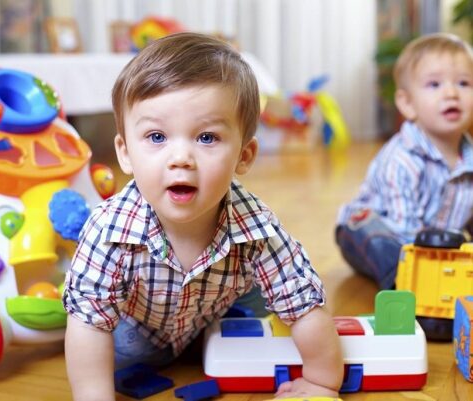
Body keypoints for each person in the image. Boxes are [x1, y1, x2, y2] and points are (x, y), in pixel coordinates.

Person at [63, 32, 343, 400]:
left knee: (264, 314)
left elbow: (305, 305)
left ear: (244, 155)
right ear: (125, 152)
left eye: (207, 138)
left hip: (217, 313)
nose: (180, 158)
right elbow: (89, 323)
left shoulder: (258, 226)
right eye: (157, 137)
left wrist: (322, 381)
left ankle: (220, 336)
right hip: (138, 333)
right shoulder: (109, 228)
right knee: (113, 347)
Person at [336, 32, 473, 290]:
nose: (452, 93)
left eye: (464, 83)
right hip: (374, 232)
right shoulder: (400, 160)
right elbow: (404, 231)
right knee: (381, 241)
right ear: (407, 103)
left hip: (436, 246)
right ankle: (403, 284)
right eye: (435, 85)